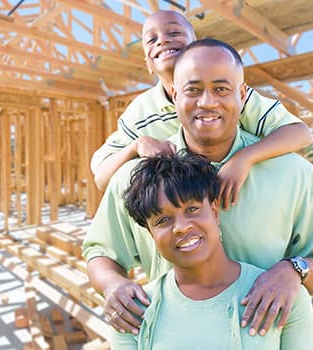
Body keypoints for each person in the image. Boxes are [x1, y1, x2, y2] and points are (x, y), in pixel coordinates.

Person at [83, 38, 313, 338]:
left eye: (221, 89)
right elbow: (101, 252)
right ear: (175, 95)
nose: (207, 102)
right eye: (193, 90)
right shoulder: (135, 180)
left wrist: (294, 270)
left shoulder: (293, 174)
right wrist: (112, 284)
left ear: (242, 95)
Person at [91, 10, 312, 212]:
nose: (163, 40)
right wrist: (135, 147)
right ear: (148, 62)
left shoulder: (230, 98)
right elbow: (102, 179)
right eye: (151, 39)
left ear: (195, 47)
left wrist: (244, 158)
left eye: (174, 32)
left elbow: (300, 133)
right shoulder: (140, 112)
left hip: (242, 205)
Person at [110, 152, 313, 349]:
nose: (181, 227)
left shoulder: (282, 296)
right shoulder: (132, 312)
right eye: (163, 220)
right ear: (151, 234)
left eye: (192, 209)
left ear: (215, 213)